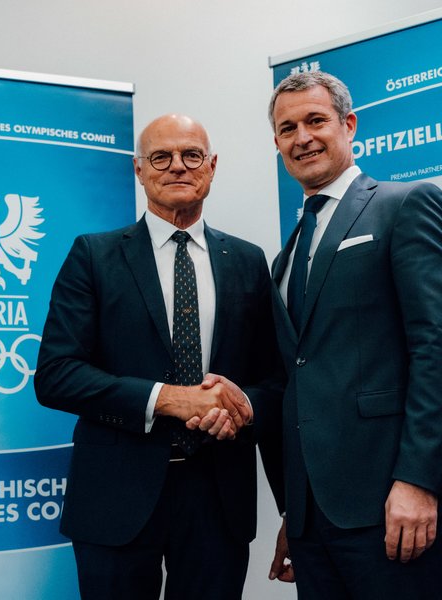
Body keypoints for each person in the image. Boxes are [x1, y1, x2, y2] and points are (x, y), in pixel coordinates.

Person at [35, 114, 283, 600]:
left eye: (191, 155)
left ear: (212, 166)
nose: (177, 166)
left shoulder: (249, 260)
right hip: (116, 496)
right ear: (139, 169)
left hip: (218, 498)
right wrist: (168, 399)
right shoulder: (93, 255)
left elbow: (277, 381)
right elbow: (57, 376)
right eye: (161, 157)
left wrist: (240, 407)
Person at [266, 71, 442, 599]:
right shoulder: (285, 256)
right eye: (287, 129)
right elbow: (301, 380)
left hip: (392, 503)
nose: (302, 138)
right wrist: (295, 511)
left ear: (349, 124)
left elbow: (440, 347)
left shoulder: (406, 203)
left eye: (315, 121)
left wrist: (419, 481)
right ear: (277, 143)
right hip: (314, 520)